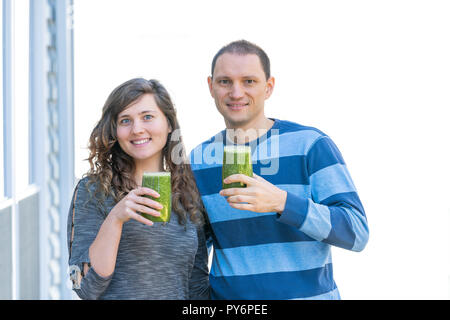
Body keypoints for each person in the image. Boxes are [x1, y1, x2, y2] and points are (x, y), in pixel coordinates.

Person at [189, 40, 369, 300]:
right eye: (225, 81)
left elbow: (356, 232)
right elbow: (193, 250)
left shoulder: (310, 145)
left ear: (268, 87)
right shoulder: (198, 160)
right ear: (210, 87)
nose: (236, 92)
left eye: (249, 81)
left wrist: (282, 203)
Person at [67, 78, 210, 299]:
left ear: (169, 123)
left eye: (147, 117)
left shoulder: (188, 191)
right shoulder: (93, 190)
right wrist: (115, 218)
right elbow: (84, 287)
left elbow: (197, 285)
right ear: (115, 130)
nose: (137, 129)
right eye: (125, 120)